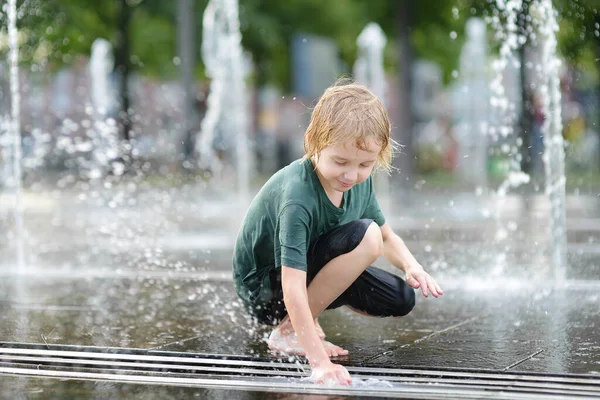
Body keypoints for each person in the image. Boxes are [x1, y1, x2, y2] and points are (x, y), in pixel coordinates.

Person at [232, 80, 443, 386]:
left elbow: (387, 237)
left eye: (365, 165)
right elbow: (292, 286)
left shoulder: (359, 182)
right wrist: (319, 362)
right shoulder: (297, 195)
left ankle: (305, 317)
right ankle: (287, 331)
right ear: (315, 143)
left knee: (400, 298)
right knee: (365, 236)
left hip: (305, 272)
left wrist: (412, 266)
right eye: (340, 162)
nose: (351, 175)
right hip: (266, 290)